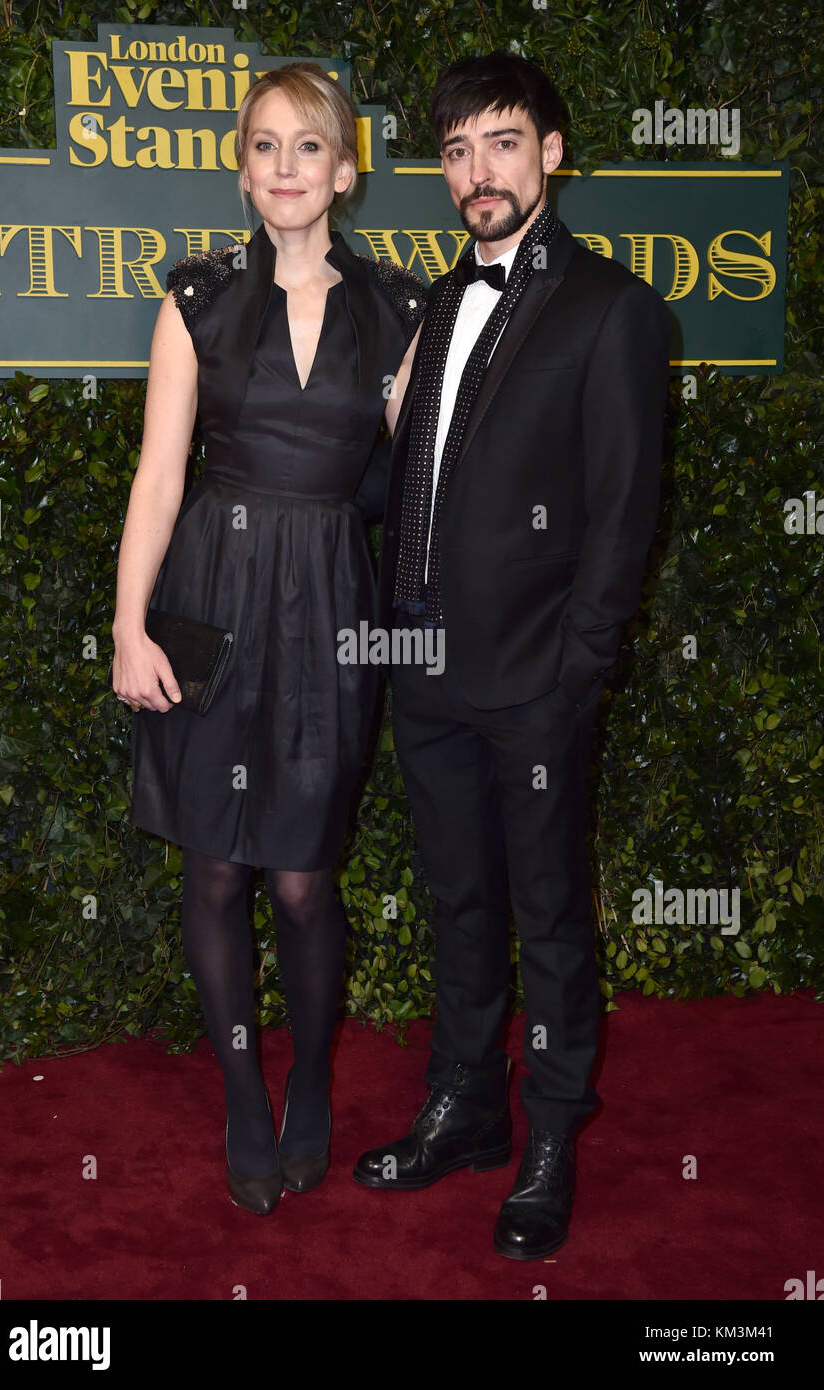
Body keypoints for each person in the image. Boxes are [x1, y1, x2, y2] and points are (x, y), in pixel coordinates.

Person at [353, 51, 671, 1260]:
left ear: (550, 154)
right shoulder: (433, 305)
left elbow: (621, 514)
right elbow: (409, 489)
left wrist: (575, 671)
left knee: (545, 915)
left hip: (535, 682)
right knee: (458, 900)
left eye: (499, 142)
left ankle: (547, 1137)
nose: (474, 171)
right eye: (454, 150)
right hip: (423, 667)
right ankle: (464, 1108)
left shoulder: (615, 309)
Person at [111, 62, 426, 1216]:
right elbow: (156, 477)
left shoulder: (398, 310)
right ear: (240, 169)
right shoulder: (194, 299)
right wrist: (126, 625)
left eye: (308, 147)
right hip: (212, 591)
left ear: (345, 171)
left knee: (300, 877)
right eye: (263, 147)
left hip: (331, 611)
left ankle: (314, 1087)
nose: (284, 168)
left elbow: (434, 482)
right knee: (216, 863)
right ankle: (245, 1094)